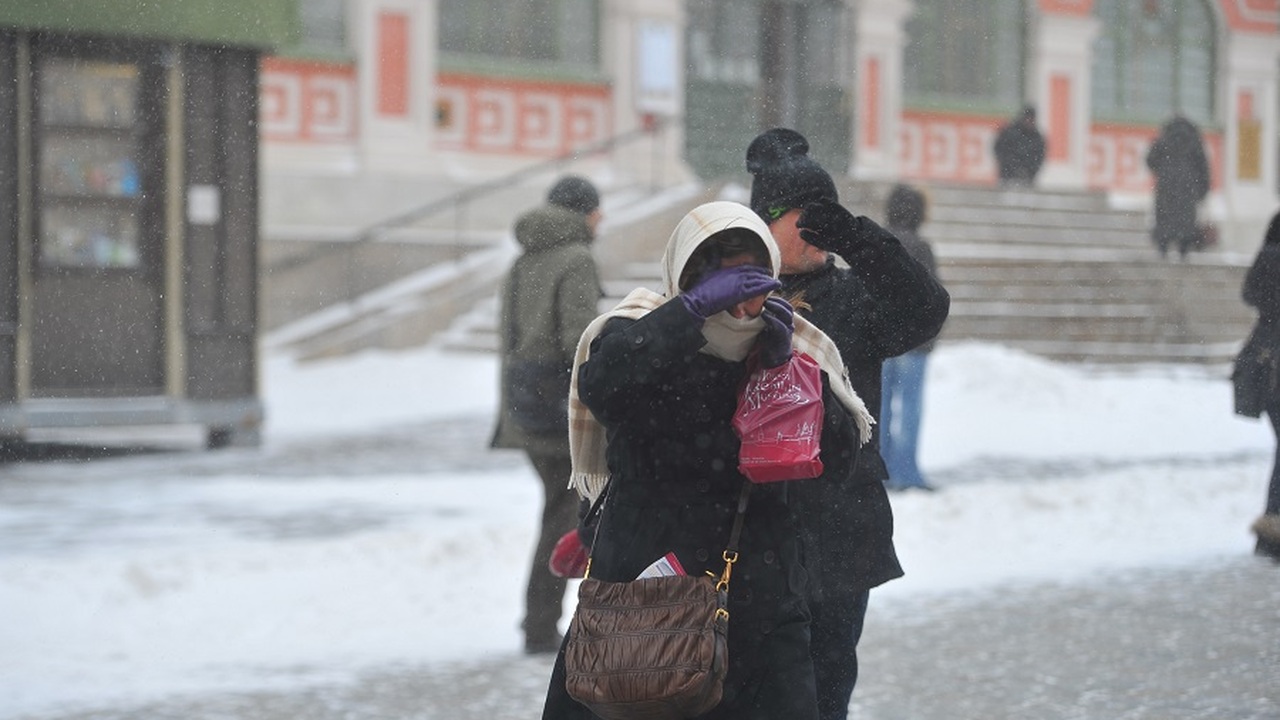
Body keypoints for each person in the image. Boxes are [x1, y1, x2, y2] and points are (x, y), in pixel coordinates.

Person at [541, 200, 875, 720]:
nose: (742, 296)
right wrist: (690, 313)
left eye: (753, 274)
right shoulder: (636, 330)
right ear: (689, 275)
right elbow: (606, 389)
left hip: (756, 597)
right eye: (722, 275)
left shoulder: (794, 348)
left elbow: (836, 459)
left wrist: (786, 374)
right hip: (645, 598)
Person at [745, 127, 950, 720]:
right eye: (797, 213)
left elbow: (926, 311)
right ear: (762, 222)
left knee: (828, 687)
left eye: (824, 212)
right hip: (755, 533)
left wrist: (860, 238)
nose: (814, 225)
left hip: (839, 531)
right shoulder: (733, 300)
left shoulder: (856, 297)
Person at [490, 175, 603, 654]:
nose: (602, 220)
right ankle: (541, 626)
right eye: (598, 211)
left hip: (526, 407)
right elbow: (579, 338)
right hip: (563, 411)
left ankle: (540, 623)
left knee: (558, 513)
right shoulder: (577, 258)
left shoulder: (523, 260)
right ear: (583, 213)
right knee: (569, 518)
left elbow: (510, 336)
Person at [879, 183, 941, 492]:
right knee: (911, 407)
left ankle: (882, 468)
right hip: (914, 342)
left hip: (881, 340)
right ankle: (907, 471)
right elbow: (931, 296)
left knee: (881, 406)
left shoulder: (876, 242)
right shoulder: (921, 247)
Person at [1242, 211, 1280, 562]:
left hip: (1264, 360)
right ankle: (1273, 526)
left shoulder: (1267, 255)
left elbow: (1248, 293)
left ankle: (1271, 529)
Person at [1146, 115, 1210, 260]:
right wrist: (1203, 189)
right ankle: (1183, 250)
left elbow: (1150, 160)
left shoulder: (1163, 139)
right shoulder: (1195, 141)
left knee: (1164, 217)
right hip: (1188, 186)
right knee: (1186, 219)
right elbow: (1203, 167)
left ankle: (1163, 247)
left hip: (1166, 186)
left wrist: (1163, 171)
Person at [993, 106, 1046, 186]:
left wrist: (1029, 171)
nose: (1030, 122)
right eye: (1028, 119)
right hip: (1008, 177)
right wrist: (1009, 167)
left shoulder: (1036, 137)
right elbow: (1000, 149)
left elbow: (1039, 157)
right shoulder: (1010, 132)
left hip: (1027, 179)